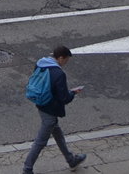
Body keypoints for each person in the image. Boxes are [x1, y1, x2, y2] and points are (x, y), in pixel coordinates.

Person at [23, 46, 87, 174]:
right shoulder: (59, 74)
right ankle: (27, 168)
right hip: (50, 109)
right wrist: (73, 93)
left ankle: (71, 160)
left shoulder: (41, 63)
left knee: (58, 134)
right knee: (40, 141)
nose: (66, 63)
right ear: (61, 58)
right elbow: (64, 98)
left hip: (40, 102)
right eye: (66, 60)